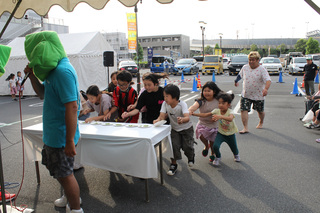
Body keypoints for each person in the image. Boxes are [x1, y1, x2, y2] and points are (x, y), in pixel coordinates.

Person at [23, 31, 83, 212]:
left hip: (61, 136)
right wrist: (32, 75)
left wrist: (69, 140)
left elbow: (72, 107)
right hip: (55, 134)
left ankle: (76, 209)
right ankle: (69, 198)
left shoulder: (62, 71)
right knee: (62, 173)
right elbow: (42, 94)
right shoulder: (53, 70)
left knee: (65, 175)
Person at [154, 84, 195, 175]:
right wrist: (157, 120)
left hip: (186, 129)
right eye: (164, 96)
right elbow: (161, 116)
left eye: (167, 96)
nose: (165, 98)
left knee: (187, 147)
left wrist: (182, 119)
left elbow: (187, 117)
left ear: (175, 97)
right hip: (175, 129)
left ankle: (191, 156)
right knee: (173, 146)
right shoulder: (165, 104)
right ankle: (173, 164)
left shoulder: (182, 104)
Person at [234, 51, 271, 134]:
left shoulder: (262, 69)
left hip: (258, 95)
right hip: (246, 94)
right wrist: (236, 80)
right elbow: (240, 75)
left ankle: (261, 121)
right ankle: (245, 127)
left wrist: (265, 89)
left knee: (260, 111)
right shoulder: (245, 67)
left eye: (253, 60)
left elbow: (268, 80)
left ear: (258, 60)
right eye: (250, 60)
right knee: (243, 109)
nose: (251, 62)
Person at [189, 81, 221, 162]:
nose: (206, 93)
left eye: (209, 91)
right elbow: (193, 107)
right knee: (201, 136)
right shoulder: (201, 101)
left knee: (213, 141)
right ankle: (206, 146)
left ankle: (212, 153)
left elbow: (224, 109)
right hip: (203, 124)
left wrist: (219, 117)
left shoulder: (218, 101)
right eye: (204, 91)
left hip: (214, 125)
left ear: (214, 91)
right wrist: (189, 111)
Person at [211, 93, 240, 166]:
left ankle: (236, 154)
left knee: (234, 148)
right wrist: (194, 114)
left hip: (230, 134)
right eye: (219, 103)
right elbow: (207, 114)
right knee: (215, 146)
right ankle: (218, 157)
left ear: (229, 104)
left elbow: (230, 119)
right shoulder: (217, 111)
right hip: (220, 133)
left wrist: (220, 117)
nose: (220, 105)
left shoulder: (230, 112)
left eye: (223, 103)